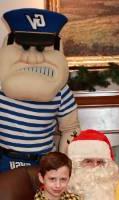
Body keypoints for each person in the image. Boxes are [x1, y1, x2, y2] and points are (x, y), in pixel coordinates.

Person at [0, 8, 80, 172]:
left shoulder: (61, 92)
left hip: (43, 163)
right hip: (4, 160)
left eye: (43, 49)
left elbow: (70, 129)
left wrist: (67, 163)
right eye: (24, 46)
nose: (33, 57)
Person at [67, 129, 119, 200]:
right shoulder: (63, 193)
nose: (95, 166)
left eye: (100, 162)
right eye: (88, 161)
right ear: (76, 164)